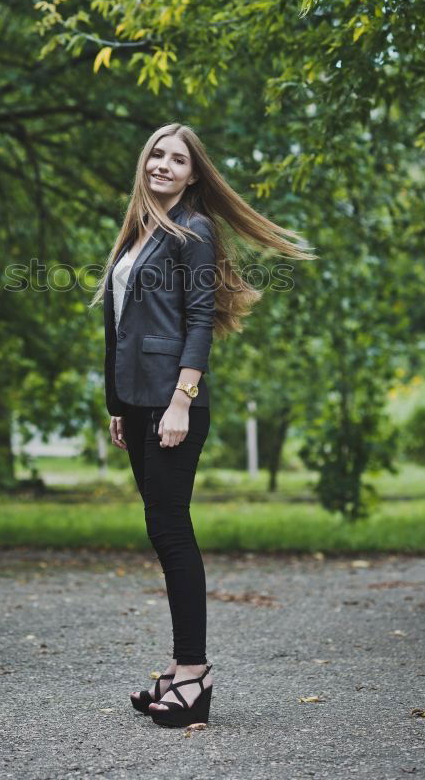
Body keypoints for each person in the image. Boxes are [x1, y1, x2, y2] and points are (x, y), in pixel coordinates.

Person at [90, 123, 317, 728]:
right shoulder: (137, 234)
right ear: (145, 163)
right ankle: (181, 668)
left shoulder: (194, 230)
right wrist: (118, 402)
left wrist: (182, 399)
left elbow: (197, 319)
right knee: (161, 528)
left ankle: (193, 674)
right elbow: (118, 326)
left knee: (171, 530)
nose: (163, 165)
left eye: (178, 160)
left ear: (194, 174)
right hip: (138, 402)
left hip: (173, 402)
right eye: (157, 155)